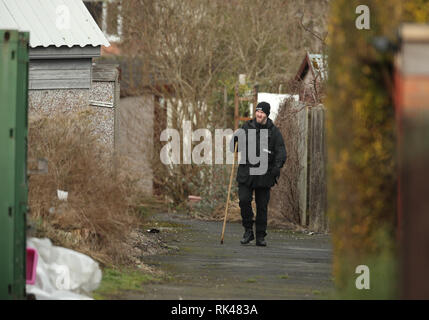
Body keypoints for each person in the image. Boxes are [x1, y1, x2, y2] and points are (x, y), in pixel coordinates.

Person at [230, 102, 287, 246]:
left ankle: (260, 236)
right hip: (246, 173)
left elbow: (281, 152)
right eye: (257, 112)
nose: (259, 115)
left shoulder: (274, 132)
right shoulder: (246, 127)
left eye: (262, 112)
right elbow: (234, 148)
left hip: (264, 174)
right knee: (244, 201)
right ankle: (248, 231)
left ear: (267, 114)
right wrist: (235, 139)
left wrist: (276, 168)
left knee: (262, 206)